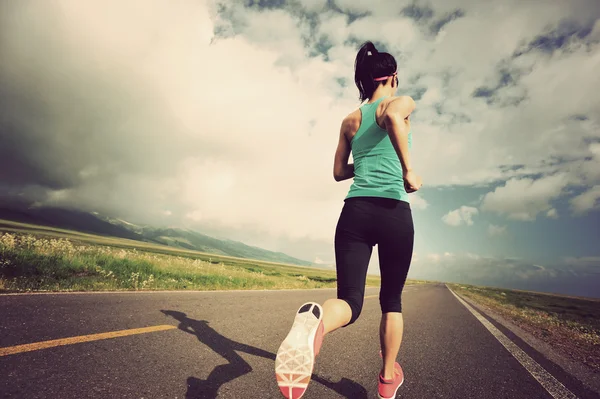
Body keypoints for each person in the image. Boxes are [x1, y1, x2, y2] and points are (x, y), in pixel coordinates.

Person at [275, 41, 422, 399]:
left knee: (350, 302)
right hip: (392, 212)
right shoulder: (400, 103)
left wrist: (366, 163)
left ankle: (319, 323)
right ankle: (388, 379)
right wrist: (408, 170)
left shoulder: (350, 119)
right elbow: (390, 118)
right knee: (391, 300)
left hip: (355, 212)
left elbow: (340, 172)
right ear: (394, 77)